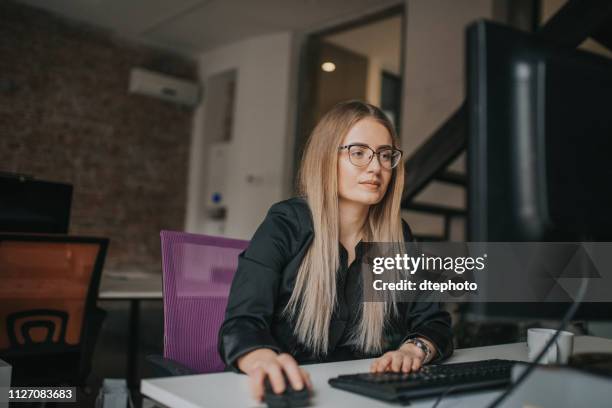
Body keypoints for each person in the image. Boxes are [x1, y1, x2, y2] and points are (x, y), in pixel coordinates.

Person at [218, 100, 453, 402]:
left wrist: (414, 349)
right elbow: (243, 322)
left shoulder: (396, 237)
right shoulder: (287, 224)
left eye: (385, 156)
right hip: (286, 395)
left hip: (360, 395)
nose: (375, 167)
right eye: (358, 153)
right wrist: (262, 359)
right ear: (326, 158)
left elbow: (434, 321)